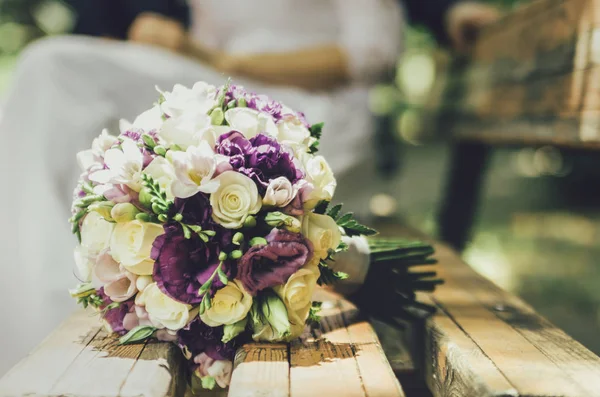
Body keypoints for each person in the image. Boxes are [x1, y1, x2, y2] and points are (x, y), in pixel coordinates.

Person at [0, 0, 498, 376]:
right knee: (55, 79)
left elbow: (373, 53)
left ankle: (44, 335)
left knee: (53, 70)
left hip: (305, 111)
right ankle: (52, 317)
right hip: (212, 88)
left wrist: (205, 55)